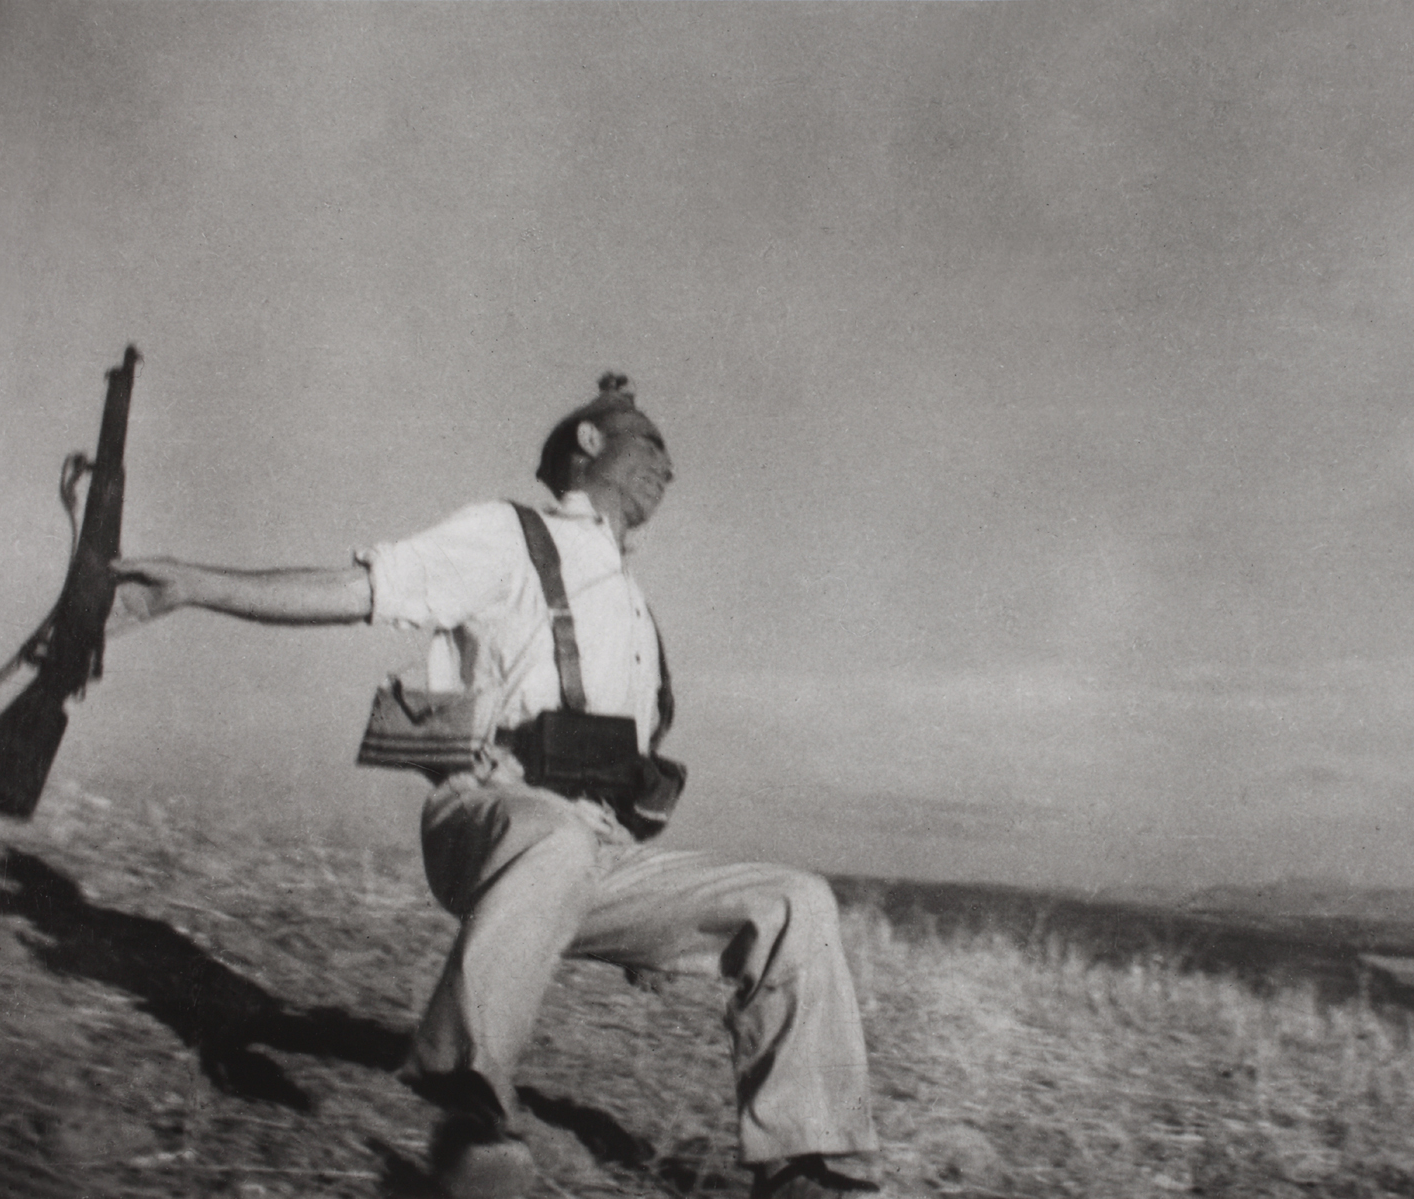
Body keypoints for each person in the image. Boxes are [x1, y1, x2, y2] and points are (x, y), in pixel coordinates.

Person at [114, 374, 883, 1199]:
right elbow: (358, 590)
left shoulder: (635, 612)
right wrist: (193, 584)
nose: (671, 467)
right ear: (591, 442)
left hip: (594, 849)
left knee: (796, 902)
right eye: (654, 444)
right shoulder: (508, 535)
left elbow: (625, 779)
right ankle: (470, 1111)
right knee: (552, 839)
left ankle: (808, 1167)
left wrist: (655, 923)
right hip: (488, 812)